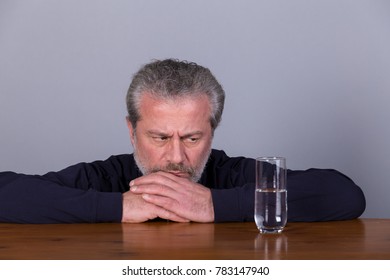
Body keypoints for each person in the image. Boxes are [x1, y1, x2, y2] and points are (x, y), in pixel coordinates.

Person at [0, 59, 365, 223]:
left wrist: (214, 205)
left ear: (212, 132)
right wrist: (118, 209)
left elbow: (345, 195)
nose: (176, 157)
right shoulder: (106, 178)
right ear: (132, 131)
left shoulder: (229, 173)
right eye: (159, 136)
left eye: (192, 137)